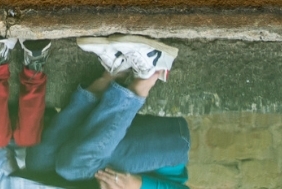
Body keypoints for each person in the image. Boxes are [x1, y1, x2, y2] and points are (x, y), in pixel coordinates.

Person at [23, 35, 189, 189]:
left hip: (117, 152)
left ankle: (116, 72)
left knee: (39, 161)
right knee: (73, 167)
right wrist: (137, 184)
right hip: (171, 148)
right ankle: (151, 72)